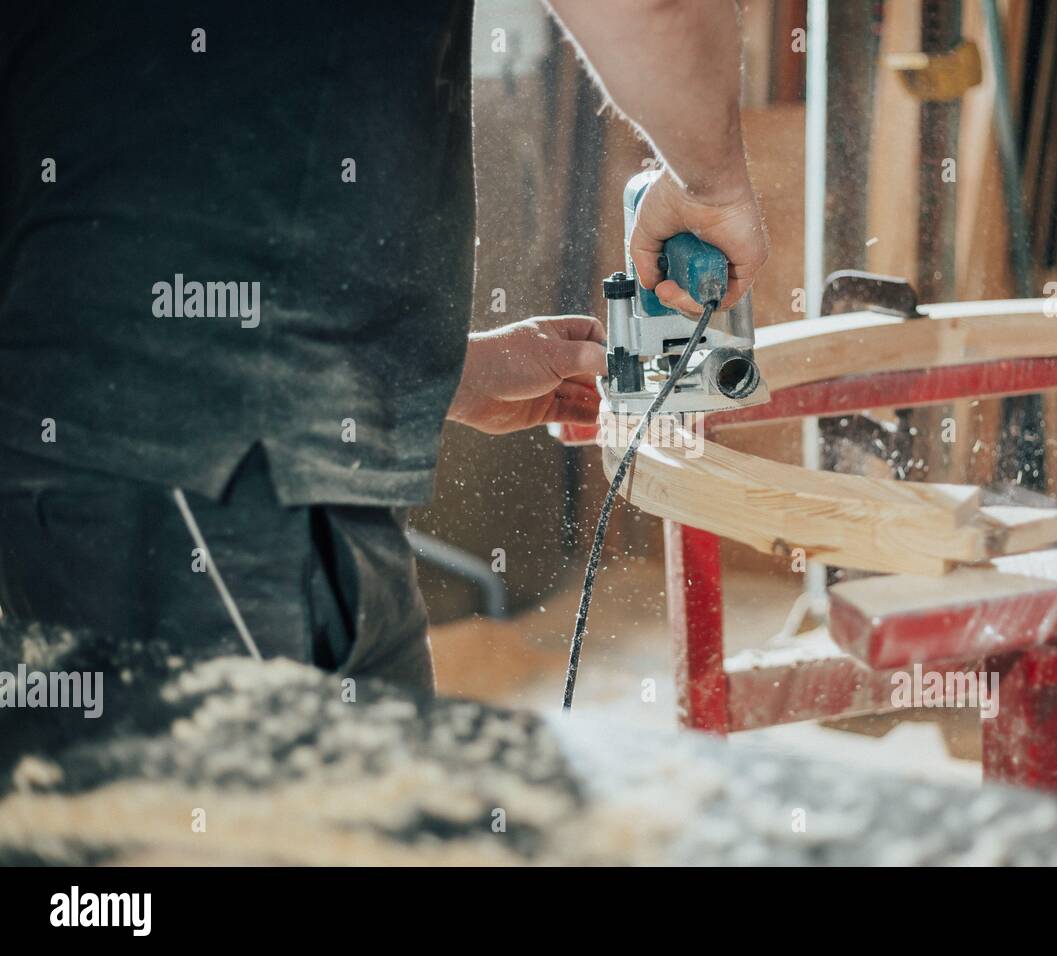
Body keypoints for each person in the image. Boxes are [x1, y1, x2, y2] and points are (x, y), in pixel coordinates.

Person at [0, 0, 768, 694]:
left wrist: (441, 371)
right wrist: (710, 189)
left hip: (80, 457)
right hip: (220, 481)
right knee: (291, 828)